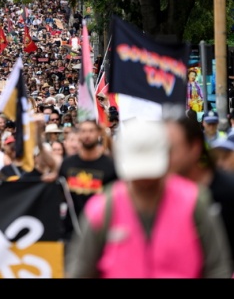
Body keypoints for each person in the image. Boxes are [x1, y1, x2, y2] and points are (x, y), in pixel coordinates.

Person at [66, 118, 233, 278]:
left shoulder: (194, 201)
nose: (145, 181)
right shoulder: (103, 208)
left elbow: (217, 266)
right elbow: (81, 270)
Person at [167, 116, 234, 273]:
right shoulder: (162, 193)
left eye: (171, 150)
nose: (164, 157)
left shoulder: (228, 191)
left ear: (194, 147)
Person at [59, 119, 117, 243]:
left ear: (98, 134)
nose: (87, 135)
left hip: (100, 232)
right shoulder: (68, 163)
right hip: (71, 232)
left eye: (91, 131)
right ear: (79, 134)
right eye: (83, 131)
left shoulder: (109, 165)